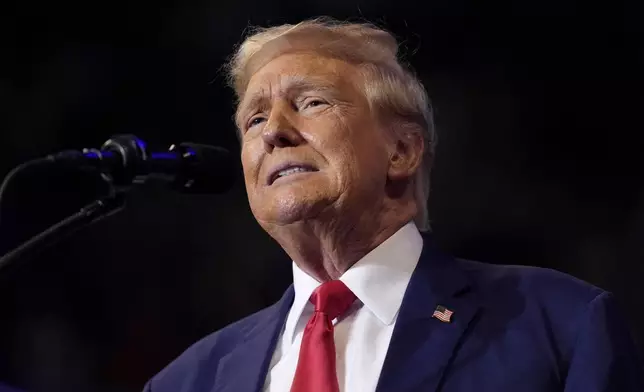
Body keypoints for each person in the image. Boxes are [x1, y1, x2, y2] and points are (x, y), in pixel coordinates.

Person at [142, 17, 643, 391]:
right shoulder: (186, 381)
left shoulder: (560, 325)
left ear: (401, 152)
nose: (274, 130)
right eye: (253, 120)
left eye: (311, 101)